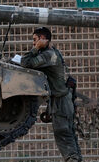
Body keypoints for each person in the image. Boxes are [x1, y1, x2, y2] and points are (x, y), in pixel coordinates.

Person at [21, 27, 82, 162]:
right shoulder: (53, 52)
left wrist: (35, 48)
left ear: (43, 39)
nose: (33, 43)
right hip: (63, 100)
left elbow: (25, 62)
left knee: (63, 135)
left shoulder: (48, 55)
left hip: (61, 103)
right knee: (69, 136)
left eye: (35, 40)